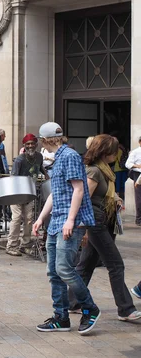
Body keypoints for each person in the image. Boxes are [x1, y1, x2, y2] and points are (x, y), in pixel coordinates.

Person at [32, 122, 100, 335]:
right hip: (57, 221)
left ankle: (90, 308)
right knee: (54, 272)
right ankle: (61, 317)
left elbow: (79, 190)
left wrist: (70, 220)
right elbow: (56, 193)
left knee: (63, 269)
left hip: (69, 220)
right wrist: (41, 218)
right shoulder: (59, 158)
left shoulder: (69, 156)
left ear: (44, 140)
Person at [68, 134, 141, 321]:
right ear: (106, 152)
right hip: (96, 223)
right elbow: (83, 200)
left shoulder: (104, 170)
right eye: (115, 150)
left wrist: (115, 198)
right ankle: (125, 309)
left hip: (103, 221)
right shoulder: (94, 171)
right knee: (116, 265)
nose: (117, 153)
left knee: (86, 265)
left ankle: (72, 302)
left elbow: (103, 194)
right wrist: (81, 228)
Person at [6, 134, 46, 256]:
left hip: (30, 192)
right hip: (17, 193)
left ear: (36, 144)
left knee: (29, 219)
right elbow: (13, 177)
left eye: (32, 143)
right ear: (24, 146)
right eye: (27, 144)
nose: (30, 146)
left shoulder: (39, 157)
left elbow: (41, 169)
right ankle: (11, 246)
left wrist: (48, 178)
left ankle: (26, 245)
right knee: (17, 219)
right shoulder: (19, 159)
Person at [125, 136, 141, 226]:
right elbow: (128, 164)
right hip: (138, 174)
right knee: (139, 197)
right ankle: (139, 218)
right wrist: (137, 166)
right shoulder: (135, 152)